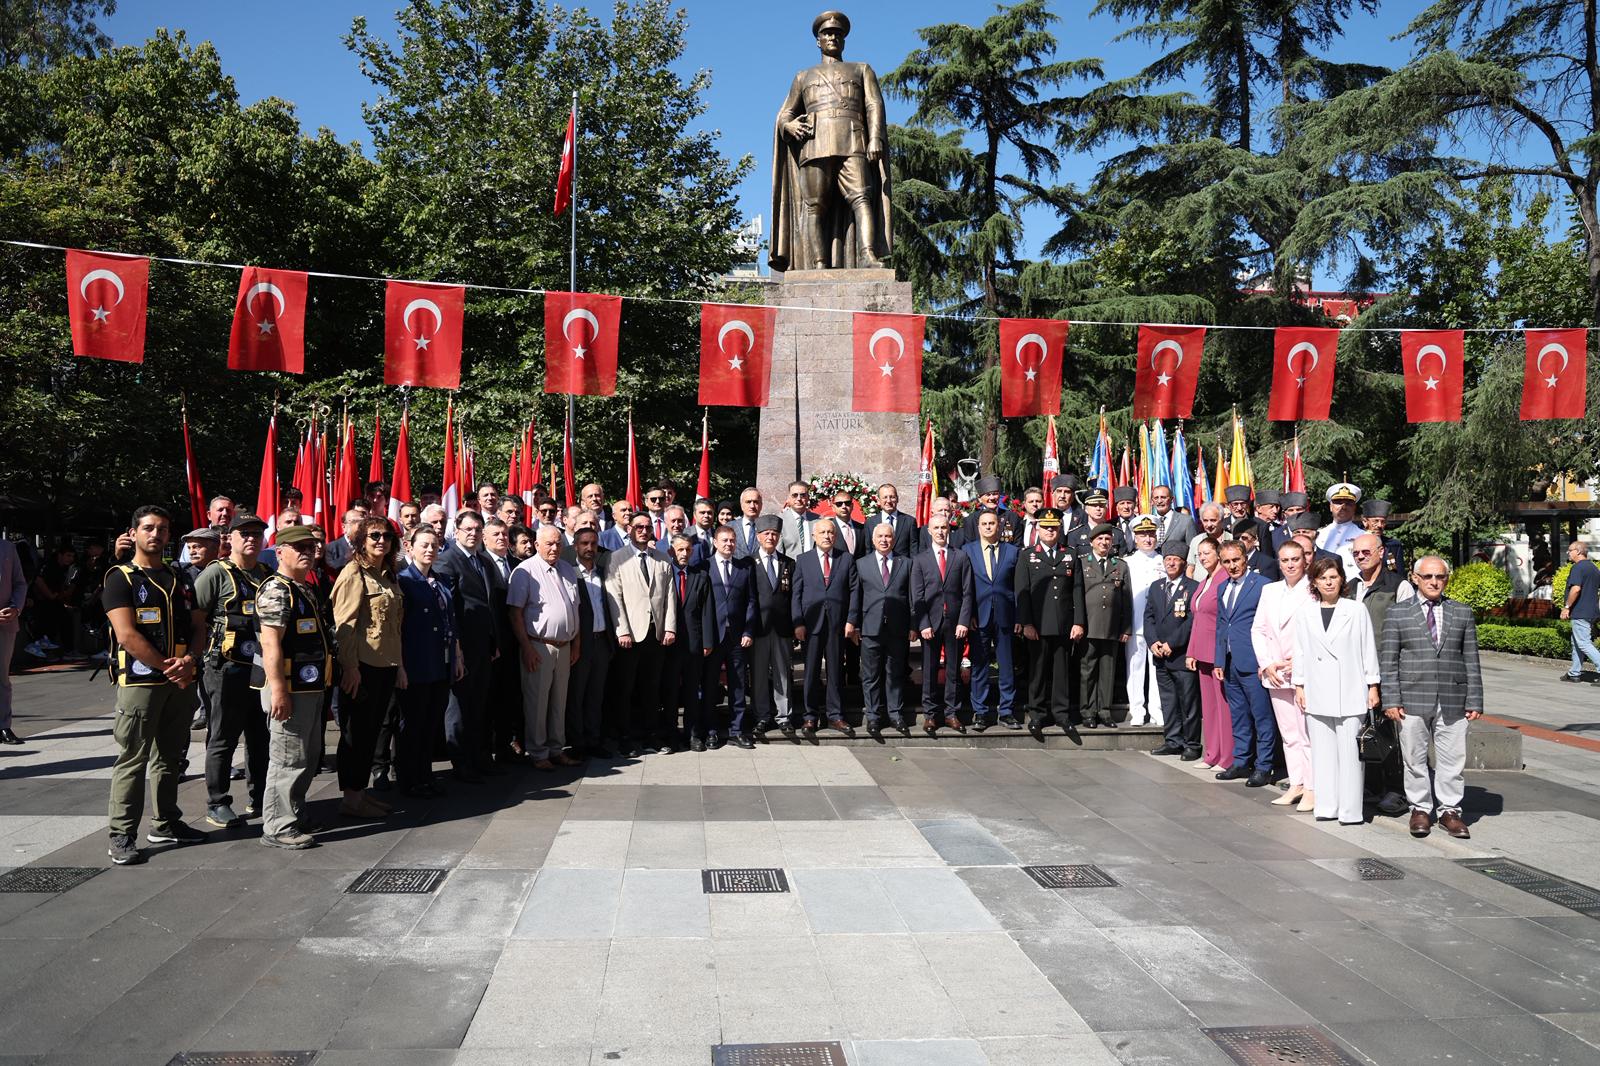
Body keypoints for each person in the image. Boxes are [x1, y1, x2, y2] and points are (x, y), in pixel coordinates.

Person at [103, 505, 207, 865]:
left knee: (170, 756)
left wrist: (190, 662)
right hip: (141, 682)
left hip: (179, 679)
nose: (156, 535)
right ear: (133, 533)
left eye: (162, 529)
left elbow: (199, 627)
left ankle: (166, 822)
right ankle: (122, 834)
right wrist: (167, 667)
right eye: (148, 528)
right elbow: (127, 635)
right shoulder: (121, 577)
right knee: (133, 757)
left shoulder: (181, 578)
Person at [1381, 556, 1483, 840]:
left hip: (1453, 697)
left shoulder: (1461, 612)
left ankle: (1450, 811)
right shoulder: (1398, 613)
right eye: (1428, 577)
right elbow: (1388, 661)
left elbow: (1471, 659)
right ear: (1416, 578)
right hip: (1411, 697)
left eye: (1440, 577)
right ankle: (1420, 809)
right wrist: (1391, 698)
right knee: (1414, 758)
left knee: (1453, 759)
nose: (1434, 582)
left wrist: (1474, 698)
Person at [252, 524, 334, 849]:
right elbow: (270, 644)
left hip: (308, 687)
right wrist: (278, 690)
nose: (307, 552)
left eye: (310, 547)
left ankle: (295, 813)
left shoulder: (302, 587)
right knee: (288, 758)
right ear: (279, 552)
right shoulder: (276, 589)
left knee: (307, 756)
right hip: (288, 689)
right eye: (297, 547)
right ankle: (278, 826)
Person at [193, 514, 272, 829]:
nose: (251, 539)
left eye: (257, 534)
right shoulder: (216, 573)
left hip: (260, 668)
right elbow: (196, 617)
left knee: (260, 736)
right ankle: (218, 802)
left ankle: (262, 795)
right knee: (224, 736)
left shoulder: (267, 574)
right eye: (245, 534)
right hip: (224, 668)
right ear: (231, 538)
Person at [1294, 557, 1381, 826]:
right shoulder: (1305, 613)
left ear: (1342, 579)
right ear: (1315, 583)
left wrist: (1373, 684)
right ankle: (1327, 806)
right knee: (1322, 753)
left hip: (1350, 688)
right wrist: (1299, 685)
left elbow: (1368, 648)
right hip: (1317, 689)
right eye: (1323, 578)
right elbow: (1300, 650)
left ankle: (1350, 811)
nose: (1329, 582)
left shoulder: (1355, 611)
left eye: (1333, 577)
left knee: (1351, 755)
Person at [330, 516, 403, 820]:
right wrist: (350, 668)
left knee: (370, 734)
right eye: (374, 535)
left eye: (386, 536)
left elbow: (396, 626)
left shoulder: (388, 575)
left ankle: (360, 794)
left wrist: (400, 666)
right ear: (361, 539)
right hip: (362, 667)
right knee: (355, 735)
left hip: (385, 664)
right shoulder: (352, 574)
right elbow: (343, 627)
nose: (380, 541)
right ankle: (351, 798)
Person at [1343, 531, 1412, 816]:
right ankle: (1370, 785)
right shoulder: (1349, 587)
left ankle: (1396, 790)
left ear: (1381, 552)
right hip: (1352, 670)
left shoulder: (1398, 586)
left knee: (1390, 730)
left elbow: (1409, 630)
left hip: (1387, 669)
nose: (1361, 557)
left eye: (1366, 552)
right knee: (1362, 729)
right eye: (1356, 554)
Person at [433, 510, 505, 782]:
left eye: (477, 529)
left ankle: (477, 757)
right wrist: (457, 649)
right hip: (461, 648)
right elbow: (449, 610)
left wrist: (494, 640)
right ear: (457, 532)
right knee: (459, 708)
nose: (473, 533)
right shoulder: (447, 561)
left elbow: (490, 605)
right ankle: (460, 762)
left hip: (484, 647)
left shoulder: (484, 561)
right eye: (468, 529)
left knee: (479, 705)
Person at [507, 526, 584, 769]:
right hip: (539, 646)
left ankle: (556, 748)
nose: (554, 548)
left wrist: (576, 644)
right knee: (537, 702)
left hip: (564, 646)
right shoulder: (525, 572)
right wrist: (527, 648)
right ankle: (539, 753)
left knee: (559, 703)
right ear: (536, 544)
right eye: (549, 543)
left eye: (558, 543)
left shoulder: (568, 569)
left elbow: (575, 610)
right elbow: (515, 614)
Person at [394, 526, 462, 795]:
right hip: (415, 664)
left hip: (440, 662)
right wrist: (399, 666)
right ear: (409, 547)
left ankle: (425, 775)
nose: (430, 549)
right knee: (412, 724)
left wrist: (457, 655)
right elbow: (396, 629)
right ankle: (409, 779)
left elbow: (450, 621)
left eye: (434, 545)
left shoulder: (441, 580)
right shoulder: (404, 581)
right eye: (424, 545)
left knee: (431, 722)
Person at [605, 510, 678, 755]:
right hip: (630, 636)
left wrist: (669, 627)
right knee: (625, 688)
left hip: (656, 634)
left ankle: (652, 736)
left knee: (652, 687)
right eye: (639, 527)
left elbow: (669, 596)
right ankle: (625, 737)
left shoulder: (662, 559)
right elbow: (614, 596)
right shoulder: (617, 558)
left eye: (648, 527)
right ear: (630, 530)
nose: (644, 531)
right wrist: (622, 631)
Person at [1250, 540, 1316, 811]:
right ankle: (1296, 783)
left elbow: (1315, 631)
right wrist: (1267, 663)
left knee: (1307, 732)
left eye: (1295, 559)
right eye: (1285, 560)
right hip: (1275, 671)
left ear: (1305, 561)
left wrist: (1298, 661)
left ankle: (1313, 787)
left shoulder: (1313, 590)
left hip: (1302, 671)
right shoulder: (1270, 590)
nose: (1290, 565)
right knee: (1289, 733)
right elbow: (1259, 629)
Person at [1014, 508, 1085, 739]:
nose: (1050, 531)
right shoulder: (1027, 555)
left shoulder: (1070, 554)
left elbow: (1077, 591)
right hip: (1038, 625)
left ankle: (1062, 714)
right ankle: (1036, 714)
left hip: (1064, 624)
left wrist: (1078, 622)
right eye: (1045, 527)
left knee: (1062, 671)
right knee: (1037, 671)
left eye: (1054, 527)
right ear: (1038, 528)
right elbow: (1022, 592)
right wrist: (1026, 623)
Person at [1213, 541, 1276, 787]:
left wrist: (1267, 660)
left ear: (1245, 558)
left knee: (1262, 717)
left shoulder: (1264, 586)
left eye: (1236, 560)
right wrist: (1219, 658)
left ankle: (1264, 766)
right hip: (1230, 663)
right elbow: (1221, 625)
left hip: (1254, 662)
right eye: (1226, 561)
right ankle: (1241, 762)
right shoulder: (1222, 588)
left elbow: (1270, 626)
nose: (1232, 566)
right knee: (1238, 716)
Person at [791, 516, 858, 737]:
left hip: (838, 624)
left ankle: (835, 715)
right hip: (811, 624)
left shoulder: (846, 559)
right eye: (822, 533)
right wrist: (798, 622)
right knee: (810, 672)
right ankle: (810, 716)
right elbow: (796, 594)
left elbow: (855, 591)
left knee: (835, 671)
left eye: (830, 533)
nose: (827, 536)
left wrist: (851, 620)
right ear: (814, 536)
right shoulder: (803, 560)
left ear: (835, 536)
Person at [912, 511, 974, 735]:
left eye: (944, 528)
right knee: (929, 670)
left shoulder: (960, 557)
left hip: (955, 623)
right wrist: (923, 623)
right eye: (936, 528)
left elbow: (968, 592)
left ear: (949, 531)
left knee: (952, 669)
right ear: (929, 531)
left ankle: (951, 713)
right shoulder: (920, 559)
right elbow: (917, 595)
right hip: (930, 623)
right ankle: (930, 714)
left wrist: (964, 621)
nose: (940, 532)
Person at [854, 520, 914, 739]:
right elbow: (856, 598)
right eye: (880, 536)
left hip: (898, 628)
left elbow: (912, 597)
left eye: (888, 536)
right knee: (870, 675)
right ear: (873, 539)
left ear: (894, 539)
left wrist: (913, 625)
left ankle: (896, 714)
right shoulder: (861, 564)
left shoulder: (905, 563)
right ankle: (873, 716)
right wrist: (855, 624)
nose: (884, 540)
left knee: (895, 673)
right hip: (871, 628)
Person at [964, 507, 1021, 730]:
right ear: (978, 527)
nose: (989, 527)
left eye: (992, 523)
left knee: (1006, 665)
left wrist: (1019, 616)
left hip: (1006, 616)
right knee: (979, 665)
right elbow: (964, 587)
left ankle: (1006, 711)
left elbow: (1018, 586)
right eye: (985, 524)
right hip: (979, 617)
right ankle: (980, 712)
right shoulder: (968, 551)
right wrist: (967, 615)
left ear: (999, 526)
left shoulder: (1012, 551)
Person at [1146, 540, 1201, 759]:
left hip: (1181, 654)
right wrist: (1153, 642)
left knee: (1188, 703)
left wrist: (1172, 643)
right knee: (1168, 701)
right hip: (1160, 655)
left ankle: (1192, 744)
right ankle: (1173, 740)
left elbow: (1191, 621)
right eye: (1168, 559)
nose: (1171, 563)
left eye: (1175, 560)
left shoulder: (1193, 587)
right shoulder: (1156, 586)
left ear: (1183, 563)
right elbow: (1148, 616)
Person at [703, 527, 758, 747]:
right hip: (713, 637)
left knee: (738, 686)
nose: (729, 544)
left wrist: (748, 631)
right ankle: (711, 730)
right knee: (709, 685)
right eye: (724, 540)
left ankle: (737, 730)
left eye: (732, 540)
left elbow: (752, 601)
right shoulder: (704, 567)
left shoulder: (744, 568)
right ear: (715, 542)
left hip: (737, 637)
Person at [748, 515, 797, 737]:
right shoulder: (748, 563)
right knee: (758, 675)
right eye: (766, 533)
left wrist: (796, 625)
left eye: (774, 534)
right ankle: (762, 716)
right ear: (758, 536)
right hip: (758, 628)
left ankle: (784, 716)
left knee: (783, 674)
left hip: (782, 627)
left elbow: (794, 597)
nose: (770, 537)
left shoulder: (789, 563)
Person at [1079, 523, 1132, 727]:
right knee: (1087, 671)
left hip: (1111, 626)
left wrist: (1126, 628)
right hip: (1089, 626)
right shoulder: (1082, 562)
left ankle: (1104, 711)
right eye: (1099, 539)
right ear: (1092, 541)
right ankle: (1088, 712)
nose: (1104, 542)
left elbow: (1126, 599)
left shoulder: (1120, 565)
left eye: (1107, 539)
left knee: (1107, 672)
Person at [663, 533, 713, 749]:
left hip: (694, 643)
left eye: (688, 550)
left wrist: (707, 642)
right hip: (669, 643)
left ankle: (693, 734)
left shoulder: (700, 576)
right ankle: (671, 734)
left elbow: (707, 611)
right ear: (671, 551)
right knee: (670, 691)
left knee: (693, 690)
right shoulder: (663, 574)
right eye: (680, 549)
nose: (684, 553)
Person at [1184, 537, 1230, 769]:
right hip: (1201, 650)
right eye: (1199, 554)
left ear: (1218, 553)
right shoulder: (1204, 581)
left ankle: (1226, 756)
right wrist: (1191, 651)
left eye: (1207, 553)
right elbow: (1197, 619)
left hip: (1217, 651)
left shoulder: (1224, 578)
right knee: (1209, 707)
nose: (1202, 558)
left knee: (1223, 706)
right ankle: (1211, 754)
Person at [568, 527, 613, 757]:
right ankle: (578, 743)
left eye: (593, 544)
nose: (589, 548)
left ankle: (594, 740)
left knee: (596, 694)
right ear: (575, 546)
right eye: (584, 543)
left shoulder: (604, 572)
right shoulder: (569, 574)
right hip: (580, 644)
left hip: (602, 642)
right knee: (577, 695)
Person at [1123, 515, 1166, 727]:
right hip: (1136, 623)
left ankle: (1157, 709)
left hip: (1159, 627)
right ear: (1135, 537)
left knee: (1157, 669)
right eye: (1142, 535)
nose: (1147, 539)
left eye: (1151, 534)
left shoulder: (1165, 561)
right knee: (1135, 668)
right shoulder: (1127, 562)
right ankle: (1137, 710)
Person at [1560, 540, 1600, 682]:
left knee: (1583, 643)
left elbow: (1576, 589)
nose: (1568, 553)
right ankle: (1574, 673)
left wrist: (1567, 607)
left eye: (1570, 550)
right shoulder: (1594, 568)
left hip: (1580, 611)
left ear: (1578, 551)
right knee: (1576, 642)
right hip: (1591, 612)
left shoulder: (1578, 568)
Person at [0, 535, 26, 744]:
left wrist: (16, 607)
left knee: (2, 677)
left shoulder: (8, 548)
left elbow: (20, 583)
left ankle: (3, 725)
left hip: (5, 623)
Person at [866, 483, 917, 557]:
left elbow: (914, 551)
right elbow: (868, 550)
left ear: (897, 499)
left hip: (903, 566)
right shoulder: (870, 523)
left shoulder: (909, 522)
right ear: (878, 500)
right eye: (885, 497)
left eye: (892, 497)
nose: (889, 501)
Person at [1317, 482, 1364, 558]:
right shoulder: (1319, 535)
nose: (1343, 507)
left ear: (1354, 507)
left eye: (1348, 503)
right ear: (1331, 507)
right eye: (1338, 503)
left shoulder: (1363, 536)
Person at [779, 481, 819, 557]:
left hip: (814, 566)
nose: (799, 499)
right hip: (791, 567)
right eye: (794, 495)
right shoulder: (780, 521)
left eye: (803, 495)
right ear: (788, 498)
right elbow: (778, 552)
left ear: (808, 497)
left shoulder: (818, 520)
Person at [1186, 502, 1228, 576]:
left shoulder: (1231, 540)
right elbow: (1190, 568)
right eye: (1205, 520)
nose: (1209, 525)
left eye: (1213, 520)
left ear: (1221, 520)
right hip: (1199, 586)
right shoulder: (1196, 541)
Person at [733, 487, 764, 558]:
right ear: (741, 505)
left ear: (761, 505)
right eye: (748, 502)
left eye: (756, 502)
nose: (752, 506)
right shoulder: (730, 527)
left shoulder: (767, 528)